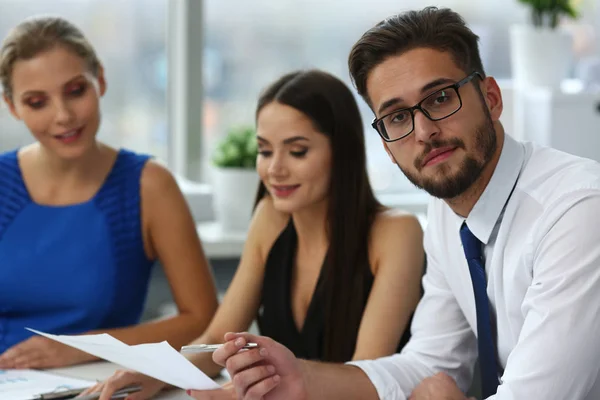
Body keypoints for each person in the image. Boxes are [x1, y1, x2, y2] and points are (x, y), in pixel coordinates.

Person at [200, 6, 600, 400]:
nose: (424, 132)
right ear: (387, 148)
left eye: (441, 98)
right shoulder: (447, 214)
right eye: (396, 118)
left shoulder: (576, 211)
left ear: (491, 98)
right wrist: (300, 378)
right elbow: (428, 364)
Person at [86, 69, 425, 400]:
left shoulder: (396, 233)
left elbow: (366, 377)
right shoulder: (270, 217)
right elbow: (218, 338)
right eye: (265, 150)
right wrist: (159, 375)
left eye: (297, 151)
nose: (274, 169)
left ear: (343, 153)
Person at [0, 16, 219, 369]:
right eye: (37, 102)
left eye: (75, 91)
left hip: (99, 384)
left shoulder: (149, 185)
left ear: (100, 80)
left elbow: (204, 319)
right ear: (13, 108)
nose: (64, 116)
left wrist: (85, 346)